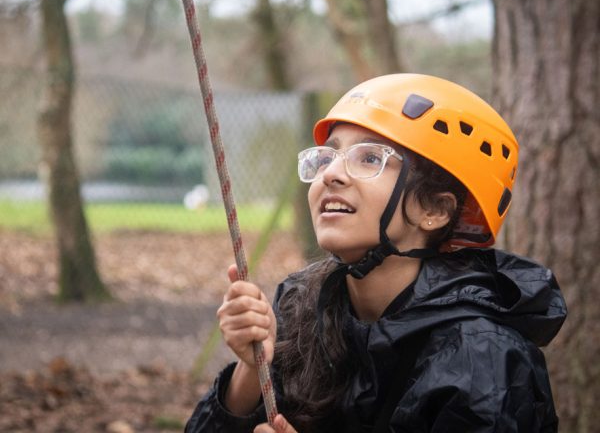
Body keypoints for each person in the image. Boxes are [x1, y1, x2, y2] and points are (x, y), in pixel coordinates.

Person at [185, 74, 567, 432]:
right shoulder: (302, 307)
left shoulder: (482, 358)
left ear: (434, 210)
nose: (331, 173)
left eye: (370, 158)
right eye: (330, 155)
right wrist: (252, 371)